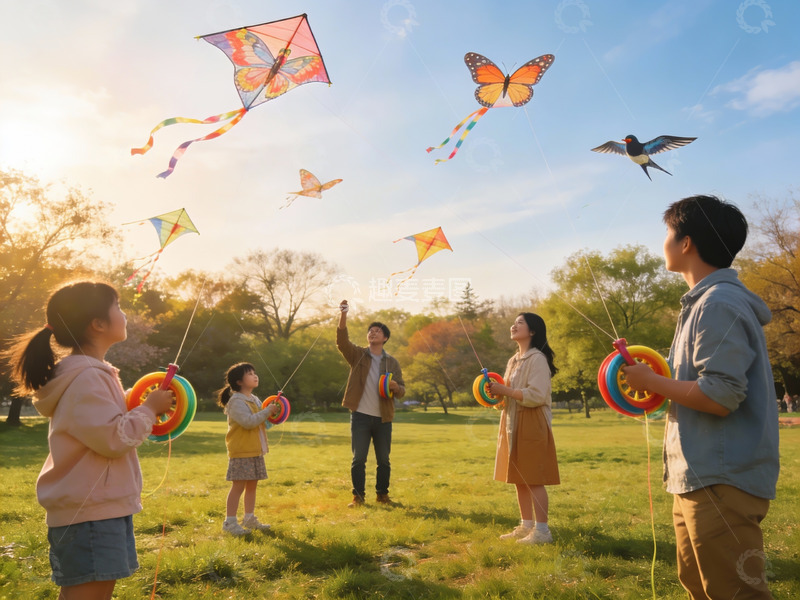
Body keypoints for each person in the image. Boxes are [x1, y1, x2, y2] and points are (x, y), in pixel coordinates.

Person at [623, 195, 780, 599]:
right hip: (697, 477)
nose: (664, 243)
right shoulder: (700, 305)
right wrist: (649, 379)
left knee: (732, 592)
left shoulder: (718, 304)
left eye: (668, 233)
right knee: (700, 587)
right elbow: (700, 386)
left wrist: (654, 382)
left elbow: (720, 395)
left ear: (686, 242)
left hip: (721, 478)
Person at [6, 281, 173, 600]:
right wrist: (149, 410)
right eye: (118, 307)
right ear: (97, 324)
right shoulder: (87, 377)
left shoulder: (91, 374)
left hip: (95, 508)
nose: (125, 314)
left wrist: (135, 403)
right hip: (92, 511)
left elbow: (101, 421)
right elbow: (113, 437)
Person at [490, 312, 560, 545]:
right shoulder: (513, 360)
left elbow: (536, 395)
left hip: (532, 421)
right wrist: (496, 395)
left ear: (532, 331)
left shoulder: (537, 359)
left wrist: (505, 391)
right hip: (512, 421)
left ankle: (542, 532)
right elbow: (509, 394)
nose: (513, 325)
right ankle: (526, 525)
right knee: (519, 477)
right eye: (514, 322)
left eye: (520, 323)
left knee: (534, 478)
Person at [336, 299, 405, 507]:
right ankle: (358, 497)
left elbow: (402, 390)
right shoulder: (357, 354)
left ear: (385, 338)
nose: (372, 333)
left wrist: (395, 387)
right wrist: (343, 314)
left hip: (383, 418)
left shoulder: (392, 362)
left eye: (377, 331)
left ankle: (382, 495)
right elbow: (341, 341)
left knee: (384, 460)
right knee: (359, 459)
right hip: (360, 416)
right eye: (370, 331)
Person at [216, 362, 279, 536]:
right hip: (241, 450)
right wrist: (266, 412)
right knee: (238, 486)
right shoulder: (236, 401)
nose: (255, 375)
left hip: (255, 449)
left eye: (254, 372)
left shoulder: (255, 399)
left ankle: (249, 518)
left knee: (252, 485)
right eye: (250, 374)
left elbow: (262, 422)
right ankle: (230, 522)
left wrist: (273, 414)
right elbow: (248, 422)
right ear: (239, 382)